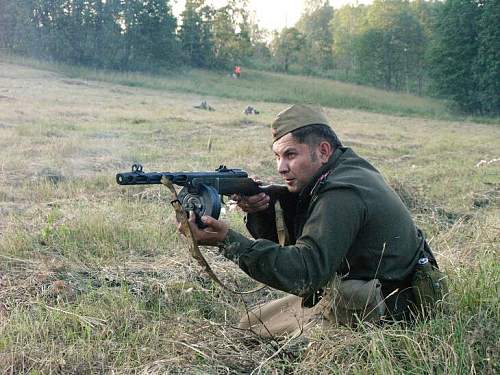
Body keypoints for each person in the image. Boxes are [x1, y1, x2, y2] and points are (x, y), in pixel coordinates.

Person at [181, 104, 446, 338]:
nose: (281, 168)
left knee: (256, 334)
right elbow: (304, 239)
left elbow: (305, 272)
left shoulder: (342, 193)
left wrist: (228, 241)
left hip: (388, 309)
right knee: (251, 325)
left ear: (322, 150)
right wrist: (263, 208)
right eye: (277, 157)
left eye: (291, 155)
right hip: (371, 290)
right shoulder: (345, 168)